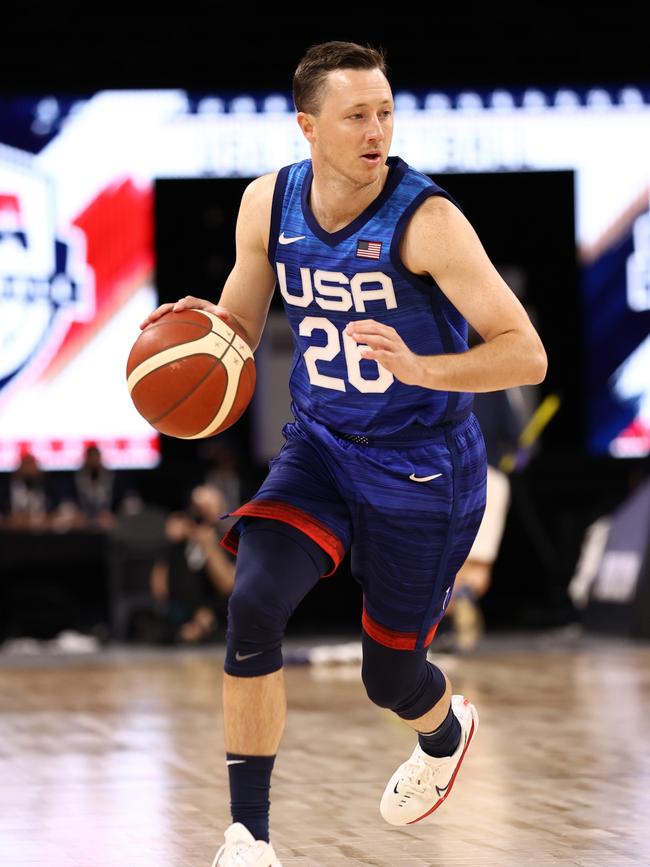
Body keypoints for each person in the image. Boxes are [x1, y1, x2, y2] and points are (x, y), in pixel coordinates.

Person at [141, 40, 547, 867]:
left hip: (423, 466)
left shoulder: (426, 220)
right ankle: (248, 837)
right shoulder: (269, 203)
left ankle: (443, 731)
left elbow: (526, 353)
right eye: (357, 115)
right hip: (322, 446)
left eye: (385, 112)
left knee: (390, 677)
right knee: (252, 605)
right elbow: (242, 330)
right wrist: (204, 334)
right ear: (308, 126)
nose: (376, 130)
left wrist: (422, 367)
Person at [445, 387, 522, 651]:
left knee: (448, 562)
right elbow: (514, 434)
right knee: (478, 565)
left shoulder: (438, 366)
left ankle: (443, 616)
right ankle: (465, 599)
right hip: (489, 475)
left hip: (446, 478)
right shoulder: (498, 383)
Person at [149, 484, 236, 644]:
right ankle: (194, 622)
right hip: (181, 610)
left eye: (208, 506)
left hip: (219, 611)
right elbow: (159, 589)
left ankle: (203, 623)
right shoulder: (178, 542)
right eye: (197, 507)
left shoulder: (230, 538)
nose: (202, 512)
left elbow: (227, 585)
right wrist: (171, 541)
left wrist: (208, 544)